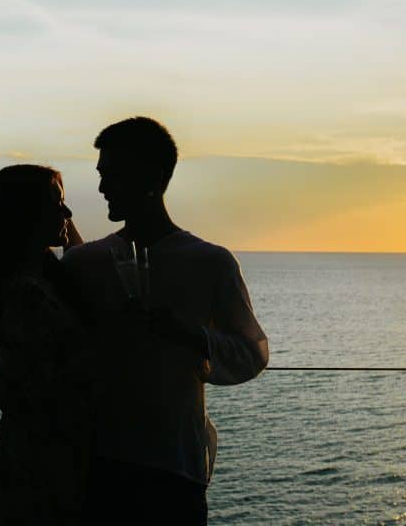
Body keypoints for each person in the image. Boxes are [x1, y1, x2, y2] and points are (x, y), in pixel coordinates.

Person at [61, 116, 269, 526]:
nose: (102, 188)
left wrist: (187, 334)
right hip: (95, 464)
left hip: (173, 467)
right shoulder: (84, 263)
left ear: (153, 176)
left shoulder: (211, 262)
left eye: (113, 175)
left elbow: (252, 352)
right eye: (101, 176)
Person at [0, 164, 91, 525]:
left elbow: (81, 257)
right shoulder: (26, 294)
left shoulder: (38, 277)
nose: (67, 214)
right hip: (41, 466)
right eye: (56, 204)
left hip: (41, 456)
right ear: (25, 215)